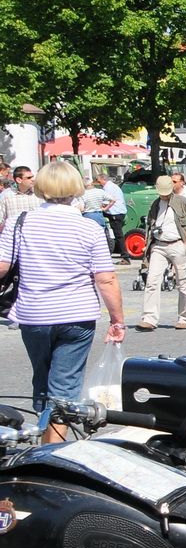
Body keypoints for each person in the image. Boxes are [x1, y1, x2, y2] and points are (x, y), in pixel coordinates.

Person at [0, 161, 125, 439]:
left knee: (42, 378)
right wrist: (117, 320)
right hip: (76, 316)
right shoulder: (89, 228)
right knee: (65, 386)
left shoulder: (19, 223)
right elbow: (105, 279)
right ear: (75, 188)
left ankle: (43, 431)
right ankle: (50, 451)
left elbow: (2, 267)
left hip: (34, 315)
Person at [136, 174, 186, 332]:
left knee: (183, 283)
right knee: (151, 281)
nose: (163, 195)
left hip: (177, 244)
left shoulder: (182, 202)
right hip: (159, 245)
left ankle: (184, 318)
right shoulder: (155, 204)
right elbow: (151, 225)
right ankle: (149, 318)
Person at [0, 165, 42, 231]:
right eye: (29, 178)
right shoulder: (7, 196)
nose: (32, 180)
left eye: (32, 177)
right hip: (15, 236)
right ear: (19, 180)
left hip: (35, 234)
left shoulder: (39, 195)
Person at [101, 172, 127, 253]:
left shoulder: (107, 188)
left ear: (103, 180)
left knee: (118, 235)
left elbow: (105, 201)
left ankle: (125, 255)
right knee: (118, 234)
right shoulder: (113, 186)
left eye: (99, 181)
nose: (99, 183)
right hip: (120, 211)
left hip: (115, 213)